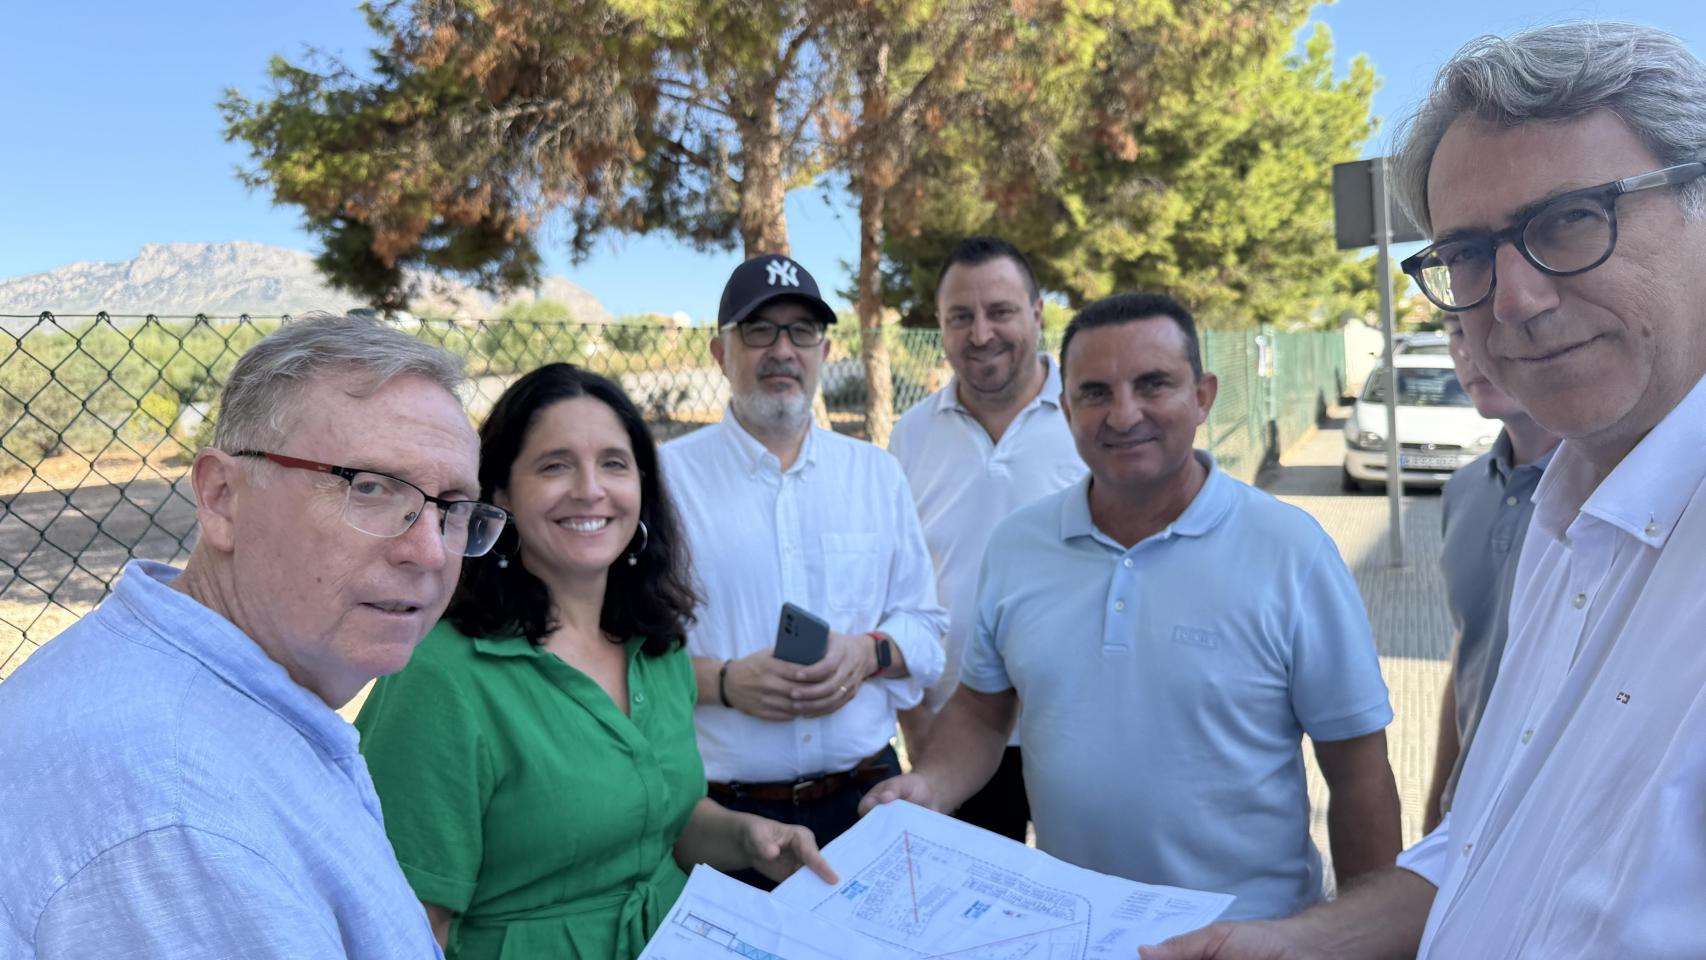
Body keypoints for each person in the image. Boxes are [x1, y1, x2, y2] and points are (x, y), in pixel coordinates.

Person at [1145, 21, 1706, 958]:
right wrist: (1299, 944)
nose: (1514, 299)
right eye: (1470, 253)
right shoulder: (1561, 515)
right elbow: (1486, 847)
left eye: (1573, 218)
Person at [864, 292, 1401, 921]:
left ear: (1203, 396)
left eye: (1153, 384)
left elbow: (1359, 773)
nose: (1123, 414)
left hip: (1250, 936)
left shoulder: (1292, 552)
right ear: (1067, 410)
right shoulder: (1018, 547)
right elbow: (983, 714)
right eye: (1095, 393)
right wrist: (928, 785)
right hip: (1073, 929)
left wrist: (1369, 935)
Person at [0, 314, 505, 957]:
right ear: (221, 497)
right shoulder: (178, 814)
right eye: (371, 488)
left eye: (453, 508)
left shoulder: (210, 695)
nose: (430, 553)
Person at [353, 364, 835, 960]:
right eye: (555, 465)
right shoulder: (440, 678)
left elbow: (659, 823)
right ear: (500, 493)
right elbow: (407, 929)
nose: (590, 489)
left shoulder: (657, 647)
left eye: (613, 464)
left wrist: (747, 836)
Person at [660, 254, 947, 884]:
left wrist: (866, 653)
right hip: (720, 820)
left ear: (824, 350)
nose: (783, 350)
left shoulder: (876, 475)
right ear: (720, 352)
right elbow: (621, 654)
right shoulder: (662, 480)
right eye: (759, 330)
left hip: (867, 802)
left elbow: (928, 631)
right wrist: (725, 684)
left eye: (802, 331)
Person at [889, 236, 1084, 842]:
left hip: (1078, 730)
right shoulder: (910, 436)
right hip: (956, 735)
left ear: (1037, 313)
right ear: (940, 326)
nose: (980, 334)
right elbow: (892, 588)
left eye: (1000, 312)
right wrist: (916, 723)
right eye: (960, 317)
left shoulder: (1092, 420)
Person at [1422, 314, 1560, 832]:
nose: (1471, 348)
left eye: (1484, 323)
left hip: (1555, 833)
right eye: (1456, 330)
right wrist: (1438, 811)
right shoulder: (1462, 490)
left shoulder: (1610, 492)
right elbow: (1469, 655)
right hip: (1466, 824)